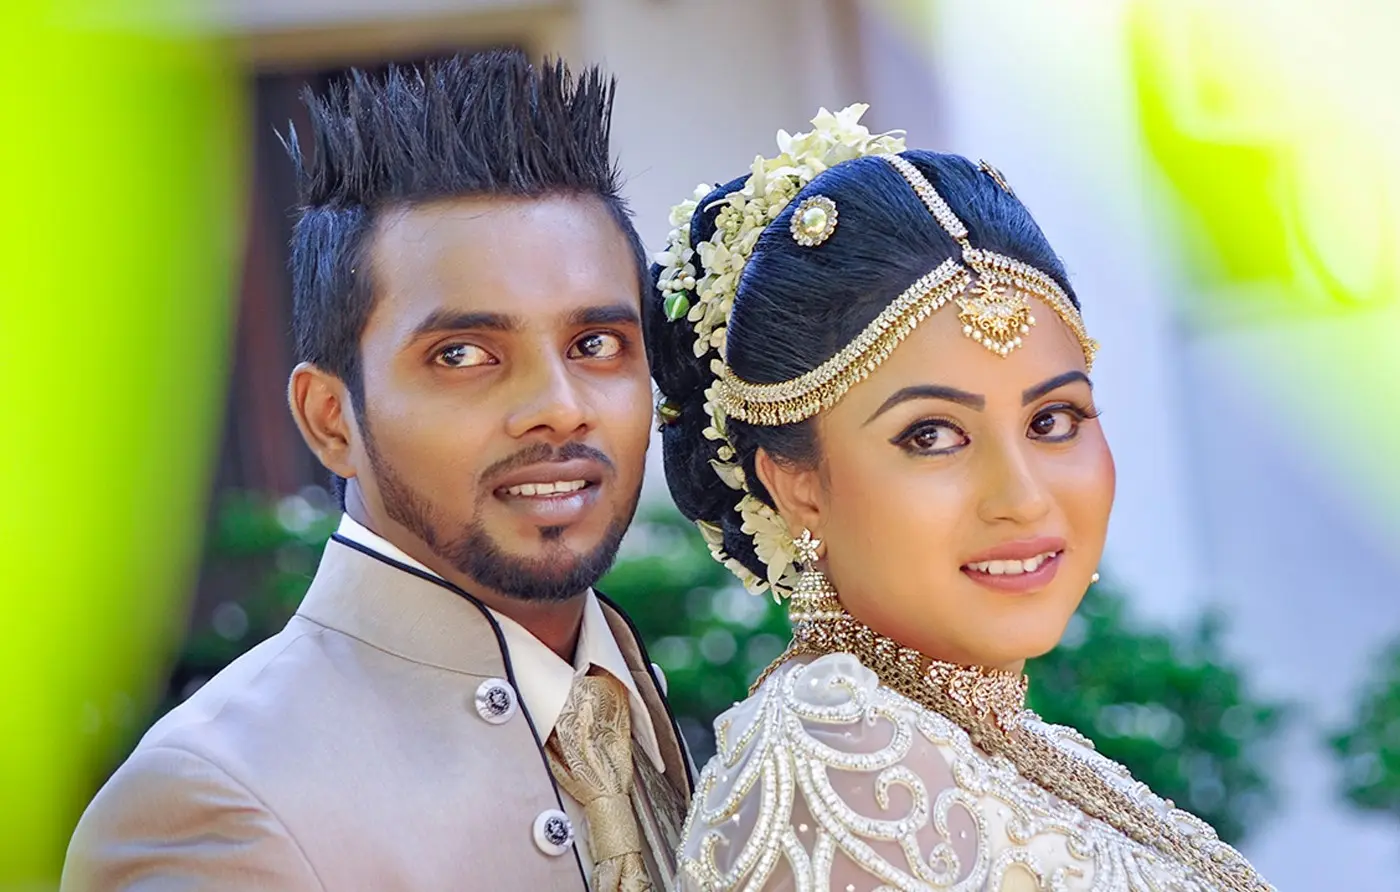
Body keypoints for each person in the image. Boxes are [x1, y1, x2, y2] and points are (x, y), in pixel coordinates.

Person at [63, 50, 691, 892]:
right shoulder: (212, 801)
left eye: (596, 344)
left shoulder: (642, 711)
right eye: (465, 354)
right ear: (332, 421)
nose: (560, 404)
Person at [645, 106, 1275, 891]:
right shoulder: (838, 757)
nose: (1024, 497)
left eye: (1053, 419)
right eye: (931, 436)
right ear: (795, 482)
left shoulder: (1002, 742)